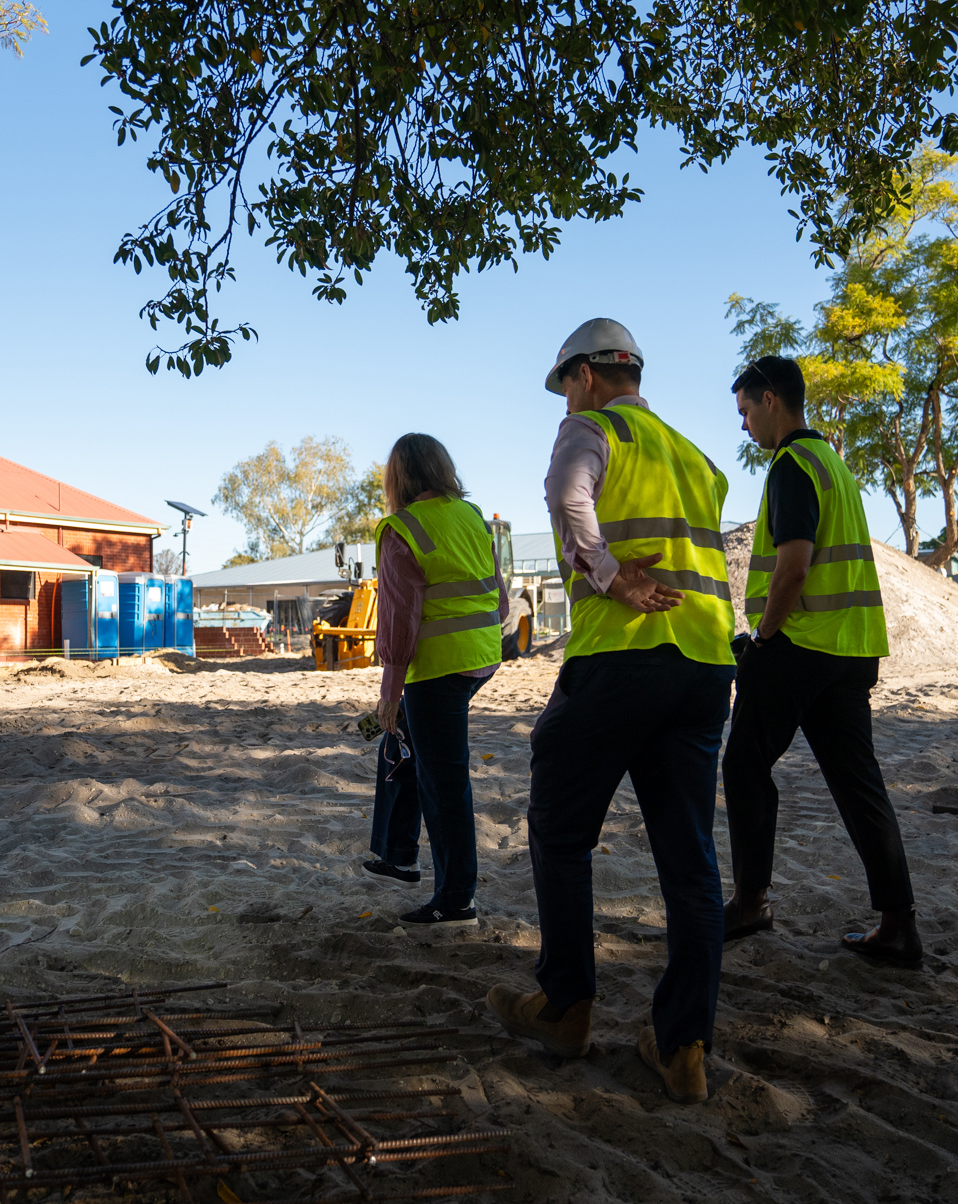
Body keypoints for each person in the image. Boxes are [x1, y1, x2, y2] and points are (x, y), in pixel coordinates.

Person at [485, 319, 736, 1106]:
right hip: (704, 666)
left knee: (558, 828)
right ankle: (682, 1043)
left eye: (564, 384)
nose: (562, 400)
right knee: (690, 859)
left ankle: (565, 1006)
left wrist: (606, 575)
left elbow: (567, 496)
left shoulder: (587, 429)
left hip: (621, 660)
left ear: (587, 376)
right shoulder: (694, 456)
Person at [721, 355, 917, 967]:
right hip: (851, 649)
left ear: (772, 399)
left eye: (747, 411)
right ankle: (899, 925)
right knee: (860, 786)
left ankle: (752, 903)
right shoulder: (834, 464)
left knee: (744, 766)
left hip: (801, 645)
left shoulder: (791, 466)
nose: (746, 426)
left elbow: (795, 564)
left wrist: (763, 640)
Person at [367, 433, 507, 924]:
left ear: (399, 477)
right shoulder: (469, 517)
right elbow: (500, 595)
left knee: (443, 781)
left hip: (438, 668)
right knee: (407, 745)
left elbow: (398, 621)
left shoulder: (402, 527)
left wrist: (390, 692)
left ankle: (455, 900)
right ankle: (398, 854)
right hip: (481, 659)